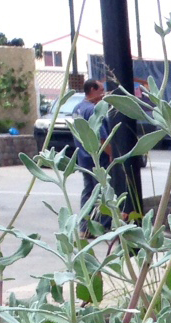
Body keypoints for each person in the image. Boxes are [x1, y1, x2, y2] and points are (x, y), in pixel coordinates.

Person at [73, 80, 109, 234]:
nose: (103, 93)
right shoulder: (94, 110)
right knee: (104, 192)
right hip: (98, 159)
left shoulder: (77, 109)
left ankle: (84, 228)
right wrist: (111, 155)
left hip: (83, 158)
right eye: (101, 89)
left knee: (88, 193)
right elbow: (102, 138)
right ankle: (103, 227)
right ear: (92, 90)